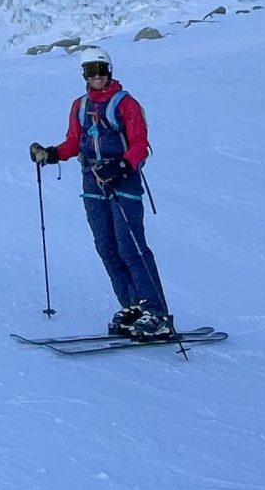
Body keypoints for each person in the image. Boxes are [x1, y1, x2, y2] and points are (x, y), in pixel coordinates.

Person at [30, 47, 175, 339]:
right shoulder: (79, 106)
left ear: (109, 70)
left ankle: (157, 313)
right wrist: (51, 154)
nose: (96, 76)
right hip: (92, 183)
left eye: (100, 70)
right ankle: (133, 307)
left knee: (130, 247)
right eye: (90, 71)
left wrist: (120, 166)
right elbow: (74, 142)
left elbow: (140, 146)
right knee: (106, 247)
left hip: (124, 182)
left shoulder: (126, 104)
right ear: (84, 74)